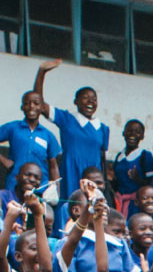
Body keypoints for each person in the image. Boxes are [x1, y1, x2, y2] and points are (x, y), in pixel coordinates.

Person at [33, 60, 110, 201]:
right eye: (85, 98)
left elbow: (103, 160)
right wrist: (41, 73)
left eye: (94, 99)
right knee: (71, 206)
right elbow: (38, 104)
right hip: (71, 172)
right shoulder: (67, 119)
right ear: (76, 102)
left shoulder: (103, 128)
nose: (90, 102)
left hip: (94, 176)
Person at [0, 89, 61, 192]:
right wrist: (4, 161)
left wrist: (56, 190)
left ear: (42, 108)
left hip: (40, 186)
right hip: (15, 184)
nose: (31, 106)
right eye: (27, 104)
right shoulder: (13, 128)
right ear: (22, 107)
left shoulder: (48, 135)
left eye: (36, 103)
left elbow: (53, 166)